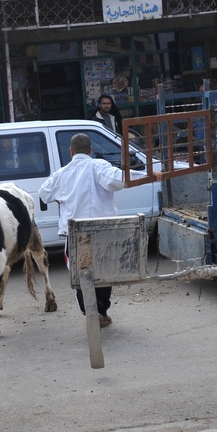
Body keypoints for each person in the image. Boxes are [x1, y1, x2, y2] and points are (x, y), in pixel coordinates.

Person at [39, 132, 131, 327]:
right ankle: (102, 311)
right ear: (91, 150)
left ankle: (88, 310)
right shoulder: (99, 166)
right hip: (102, 232)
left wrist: (60, 197)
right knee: (104, 271)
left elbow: (44, 193)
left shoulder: (62, 173)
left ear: (71, 151)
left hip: (76, 235)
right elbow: (119, 180)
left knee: (81, 273)